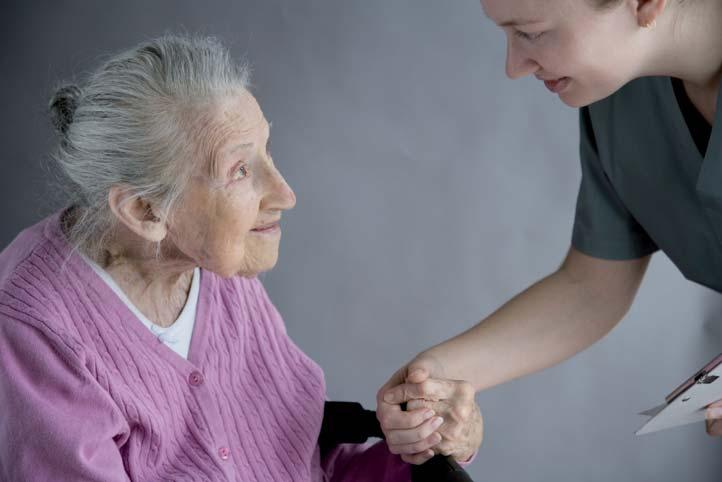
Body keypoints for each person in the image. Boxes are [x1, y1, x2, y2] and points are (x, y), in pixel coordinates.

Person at [0, 34, 482, 481]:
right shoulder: (36, 325)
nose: (285, 194)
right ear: (145, 210)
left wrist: (424, 445)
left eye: (267, 152)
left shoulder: (215, 264)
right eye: (239, 170)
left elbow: (306, 465)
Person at [377, 0, 722, 462]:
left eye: (531, 33)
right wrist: (438, 374)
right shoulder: (619, 93)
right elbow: (592, 288)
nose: (514, 67)